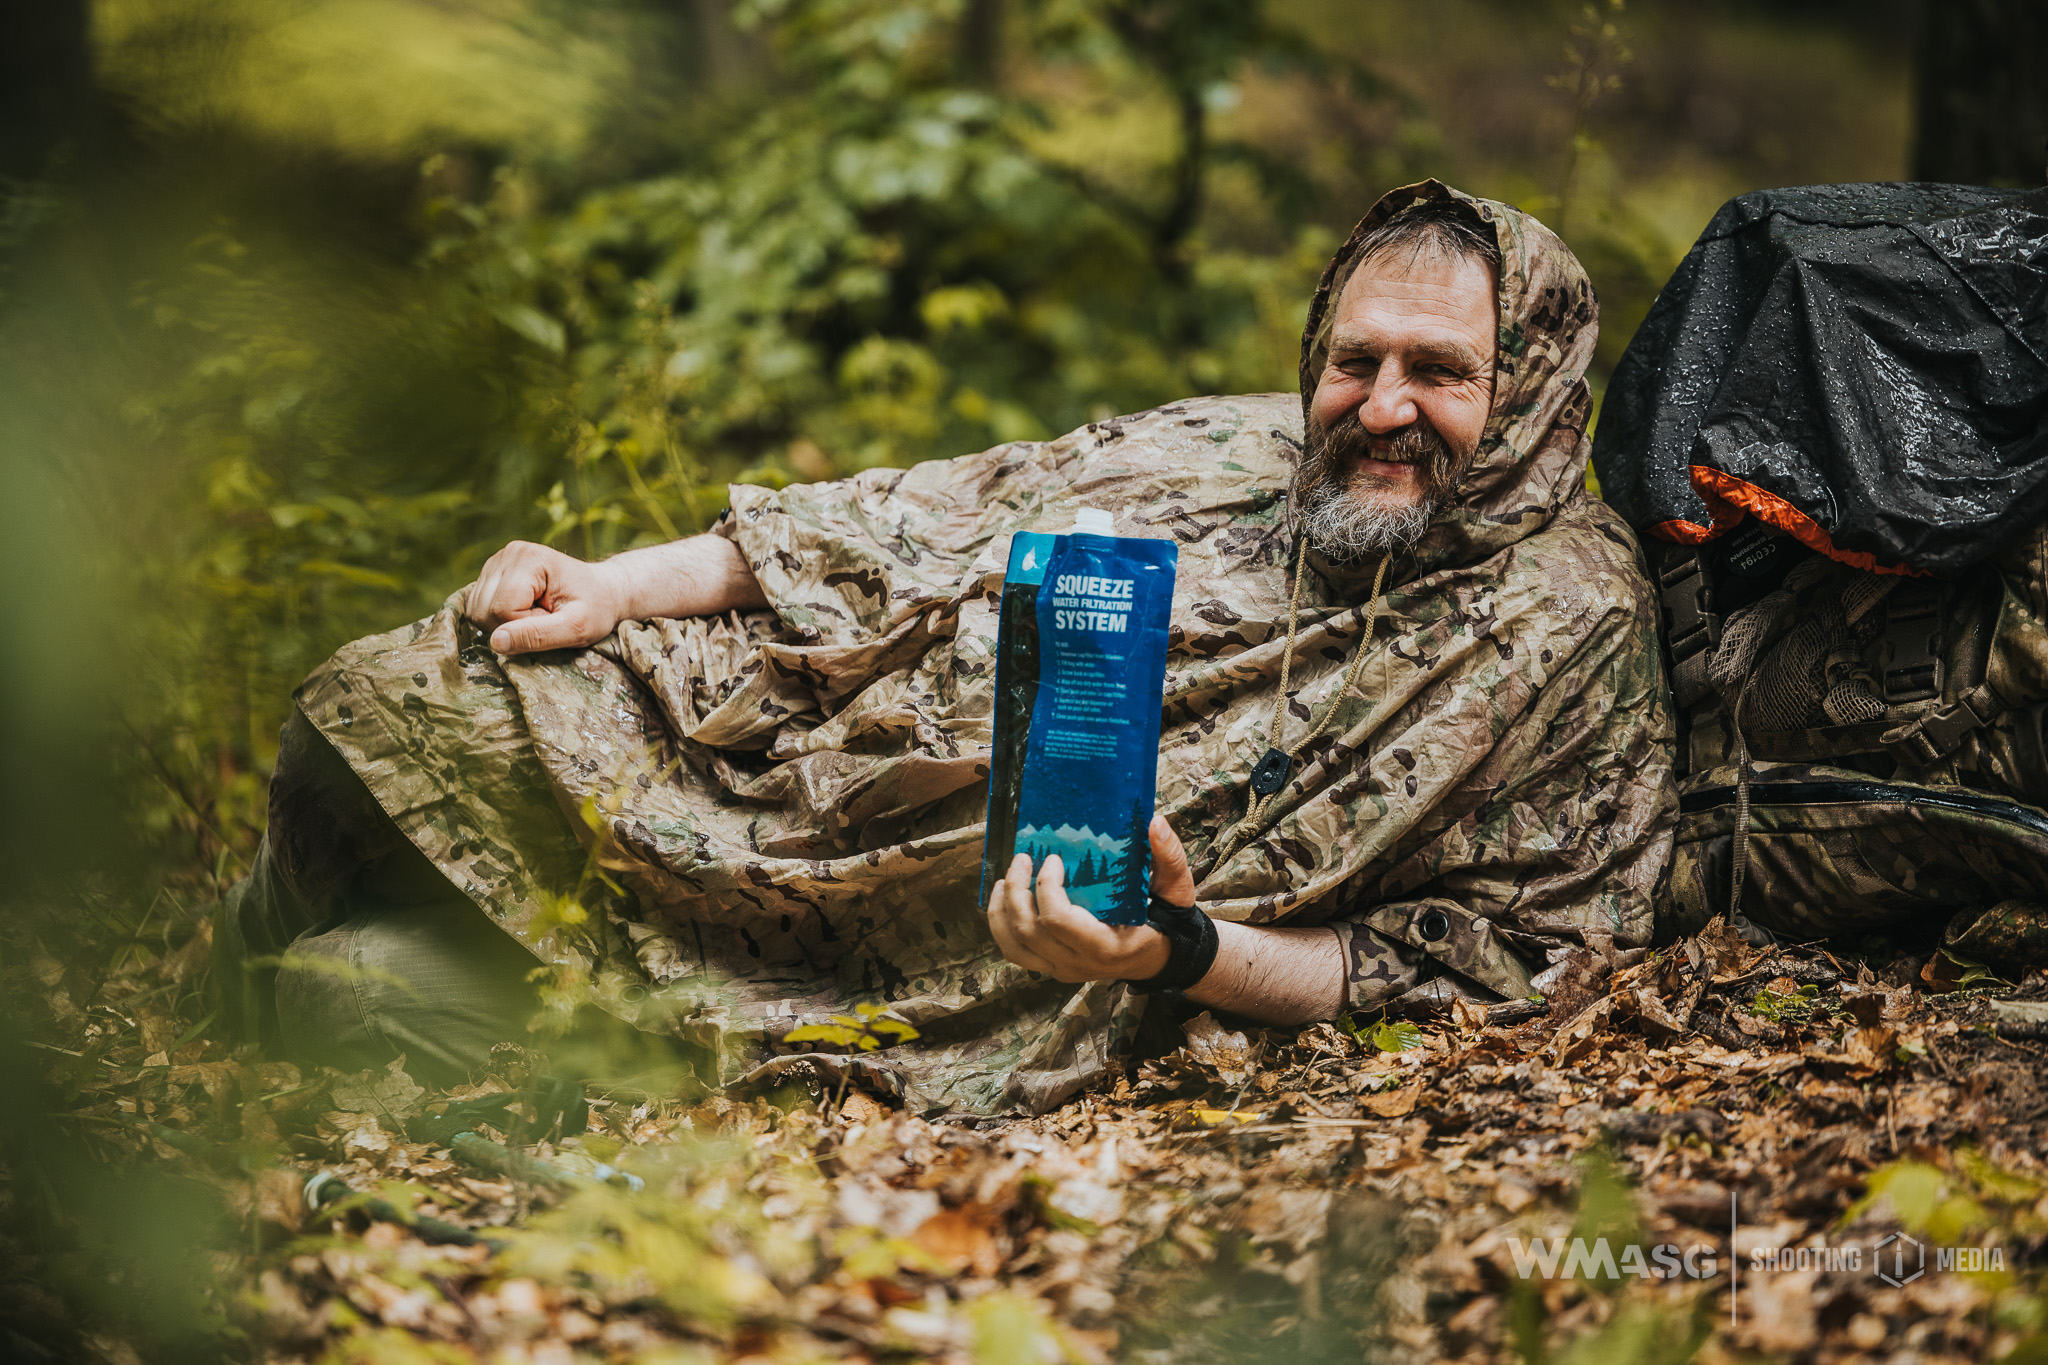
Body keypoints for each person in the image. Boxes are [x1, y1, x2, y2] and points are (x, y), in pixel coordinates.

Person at [218, 180, 1676, 1113]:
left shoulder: (1573, 625)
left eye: (1442, 372)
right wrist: (613, 582)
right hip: (776, 774)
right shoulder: (1237, 447)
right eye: (1356, 360)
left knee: (352, 1003)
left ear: (1536, 388)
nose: (1380, 405)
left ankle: (388, 988)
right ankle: (236, 973)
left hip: (948, 969)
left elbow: (1498, 957)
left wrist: (1175, 948)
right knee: (361, 711)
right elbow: (903, 518)